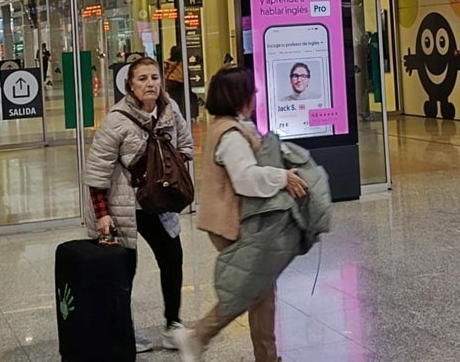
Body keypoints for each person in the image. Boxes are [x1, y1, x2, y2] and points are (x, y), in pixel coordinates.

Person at [176, 67, 308, 362]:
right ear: (238, 96)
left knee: (259, 290)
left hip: (230, 222)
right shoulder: (231, 134)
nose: (256, 96)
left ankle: (264, 355)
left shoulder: (228, 126)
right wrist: (281, 177)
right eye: (252, 91)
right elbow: (246, 178)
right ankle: (198, 336)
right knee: (251, 289)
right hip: (231, 224)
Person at [83, 57, 194, 354]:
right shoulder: (117, 120)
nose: (150, 84)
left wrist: (168, 171)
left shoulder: (171, 111)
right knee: (123, 270)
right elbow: (97, 171)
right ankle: (124, 330)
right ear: (130, 84)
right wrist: (102, 213)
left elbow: (186, 146)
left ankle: (173, 324)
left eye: (155, 78)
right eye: (142, 78)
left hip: (160, 202)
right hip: (126, 205)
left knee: (172, 259)